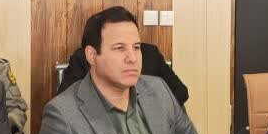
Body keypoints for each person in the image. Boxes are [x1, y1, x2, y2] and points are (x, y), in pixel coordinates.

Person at [36, 7, 212, 134]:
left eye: (136, 47)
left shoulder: (159, 90)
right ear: (92, 56)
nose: (132, 58)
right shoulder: (62, 115)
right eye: (119, 48)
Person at [58, 33, 187, 103]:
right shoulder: (85, 57)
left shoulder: (150, 53)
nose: (131, 58)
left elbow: (180, 93)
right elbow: (65, 100)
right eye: (119, 47)